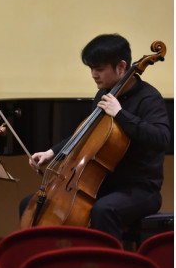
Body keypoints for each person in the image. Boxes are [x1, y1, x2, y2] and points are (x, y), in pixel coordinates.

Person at [20, 34, 171, 239]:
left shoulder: (149, 98)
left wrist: (120, 114)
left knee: (104, 210)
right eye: (91, 68)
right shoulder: (103, 94)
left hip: (140, 189)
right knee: (32, 204)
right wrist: (51, 152)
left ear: (121, 66)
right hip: (101, 185)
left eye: (99, 69)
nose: (93, 74)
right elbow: (86, 135)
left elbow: (161, 138)